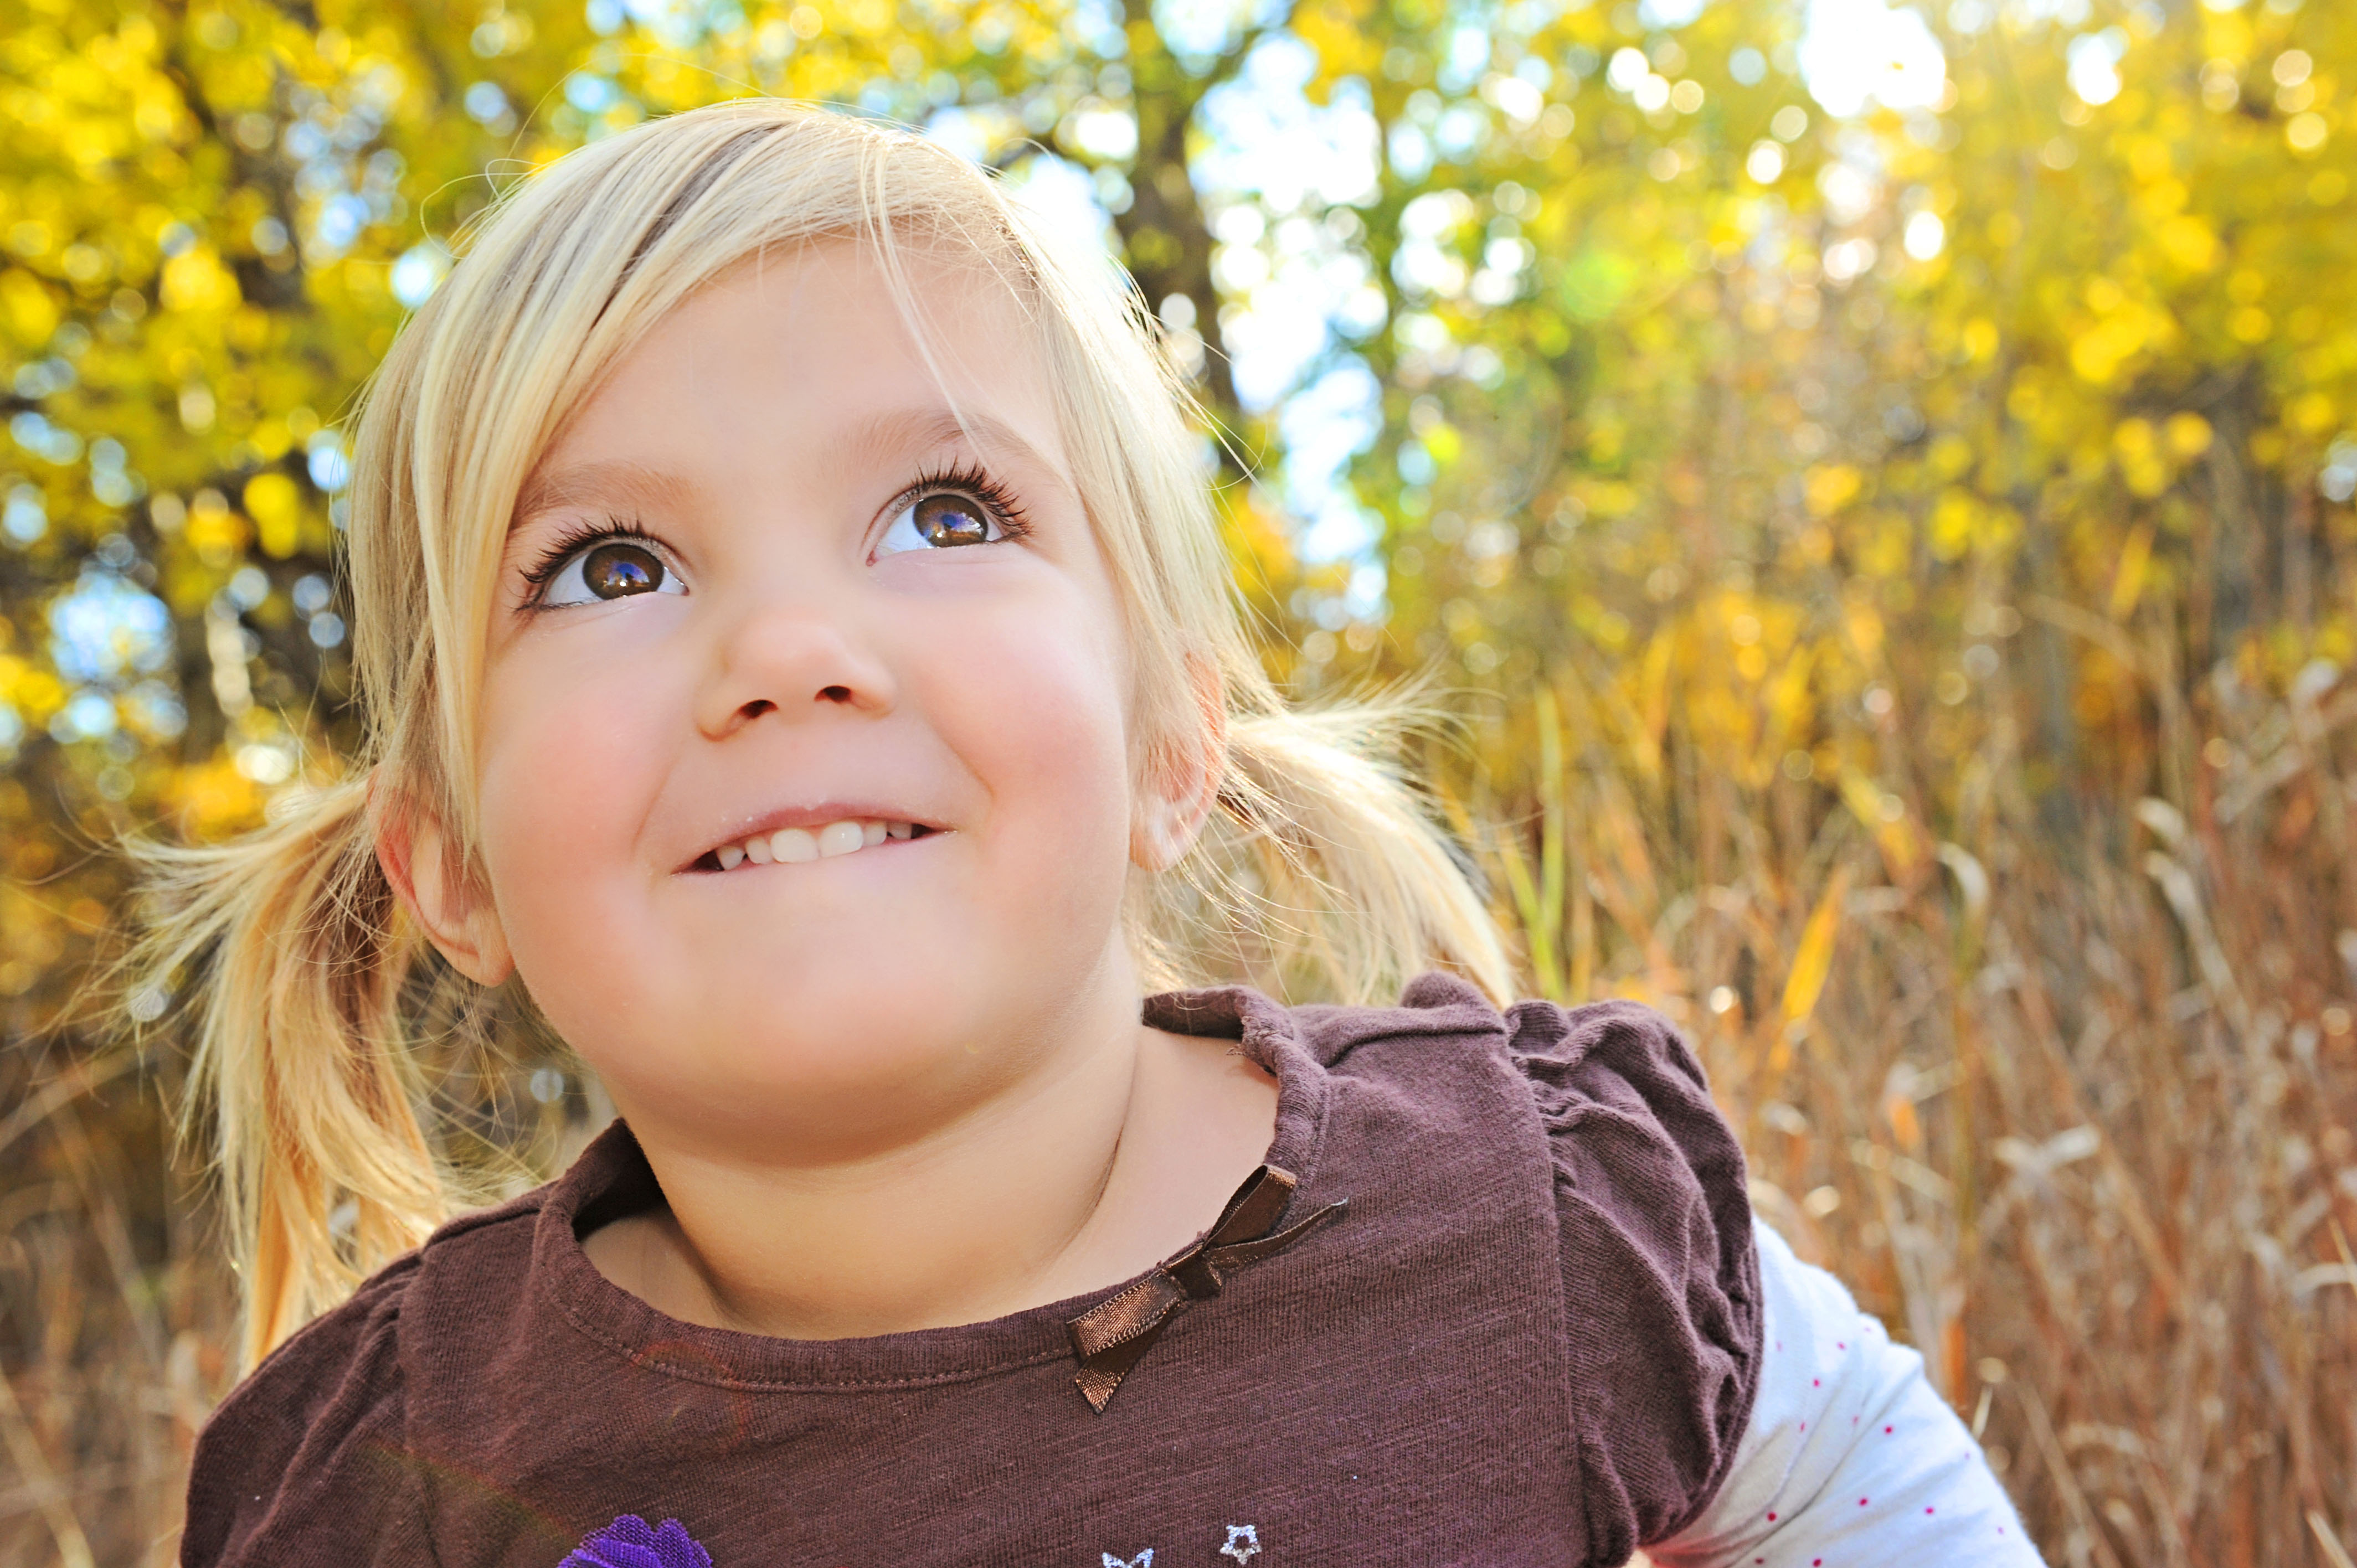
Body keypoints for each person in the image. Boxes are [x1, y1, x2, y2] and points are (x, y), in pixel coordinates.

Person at [134, 101, 2039, 1567]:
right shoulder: (370, 1489)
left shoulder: (1522, 1227)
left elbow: (1866, 1477)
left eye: (944, 517)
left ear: (1172, 733)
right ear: (448, 858)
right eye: (610, 564)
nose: (789, 650)